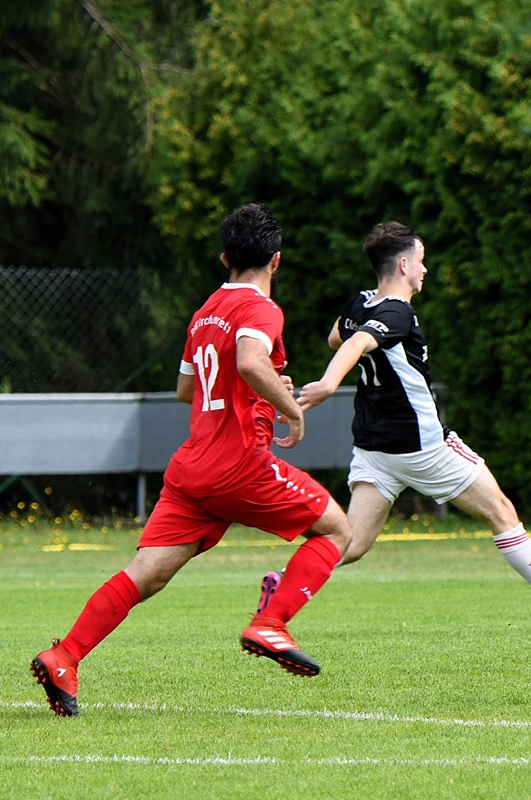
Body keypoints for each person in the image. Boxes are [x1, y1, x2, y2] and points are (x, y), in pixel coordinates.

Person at [30, 204, 353, 717]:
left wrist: (265, 391)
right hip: (239, 462)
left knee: (146, 573)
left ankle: (65, 655)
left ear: (225, 257)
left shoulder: (206, 311)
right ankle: (271, 623)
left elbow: (189, 388)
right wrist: (291, 410)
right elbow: (248, 361)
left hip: (193, 467)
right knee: (339, 531)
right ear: (276, 260)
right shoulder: (263, 309)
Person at [256, 221, 531, 628]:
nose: (425, 270)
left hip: (374, 449)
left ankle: (283, 585)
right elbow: (353, 344)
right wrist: (326, 384)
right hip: (421, 446)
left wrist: (362, 347)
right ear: (405, 264)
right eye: (422, 261)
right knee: (501, 510)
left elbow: (337, 336)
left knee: (351, 542)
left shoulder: (361, 303)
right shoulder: (397, 312)